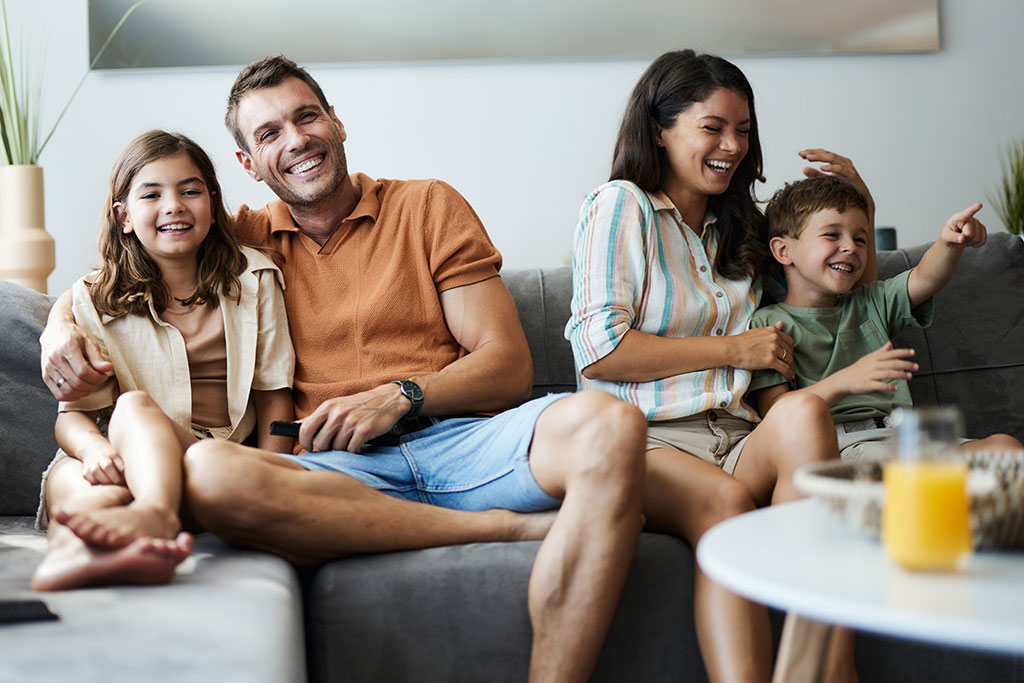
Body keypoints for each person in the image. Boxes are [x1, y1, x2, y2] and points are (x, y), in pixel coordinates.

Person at [40, 56, 647, 683]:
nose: (297, 139)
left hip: (467, 443)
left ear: (337, 122)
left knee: (610, 424)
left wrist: (401, 395)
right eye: (269, 133)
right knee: (211, 472)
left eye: (307, 117)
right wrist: (58, 325)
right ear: (248, 165)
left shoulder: (427, 206)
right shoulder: (238, 241)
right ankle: (495, 529)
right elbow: (133, 256)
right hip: (334, 470)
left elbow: (509, 367)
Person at [564, 50, 865, 683]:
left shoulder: (740, 231)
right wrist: (733, 350)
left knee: (808, 415)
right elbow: (601, 352)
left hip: (735, 432)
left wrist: (858, 196)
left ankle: (819, 673)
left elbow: (831, 269)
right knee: (726, 506)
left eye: (744, 130)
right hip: (645, 440)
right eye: (713, 127)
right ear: (659, 129)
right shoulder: (623, 206)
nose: (732, 144)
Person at [32, 130, 296, 592]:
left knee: (132, 406)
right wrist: (95, 452)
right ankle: (71, 555)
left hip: (204, 459)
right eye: (151, 194)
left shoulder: (254, 280)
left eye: (190, 190)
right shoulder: (96, 299)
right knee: (79, 482)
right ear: (124, 217)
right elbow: (72, 418)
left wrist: (272, 477)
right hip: (119, 456)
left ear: (212, 206)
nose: (173, 205)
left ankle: (153, 513)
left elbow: (275, 398)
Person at [747, 175, 1023, 456]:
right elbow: (776, 412)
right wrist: (845, 380)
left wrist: (949, 243)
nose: (851, 247)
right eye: (832, 234)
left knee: (1006, 447)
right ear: (784, 250)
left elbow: (925, 278)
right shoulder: (768, 325)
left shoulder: (871, 302)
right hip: (839, 444)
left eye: (860, 238)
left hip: (903, 436)